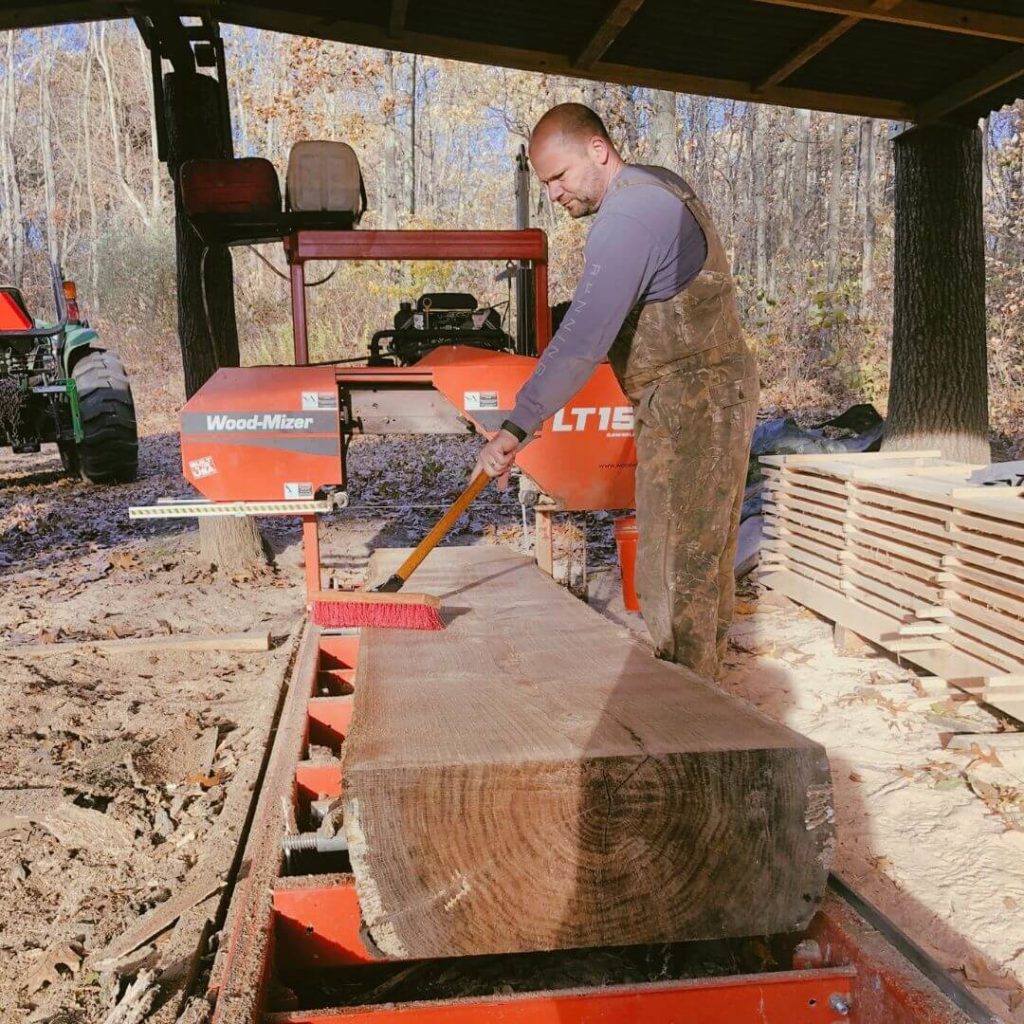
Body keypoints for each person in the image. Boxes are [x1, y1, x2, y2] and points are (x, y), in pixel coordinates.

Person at [473, 102, 758, 680]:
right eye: (547, 182)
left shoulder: (629, 214)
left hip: (692, 400)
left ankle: (692, 718)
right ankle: (703, 697)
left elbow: (582, 337)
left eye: (560, 176)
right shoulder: (657, 187)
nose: (555, 194)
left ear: (597, 150)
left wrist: (516, 426)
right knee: (697, 559)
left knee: (677, 567)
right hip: (695, 396)